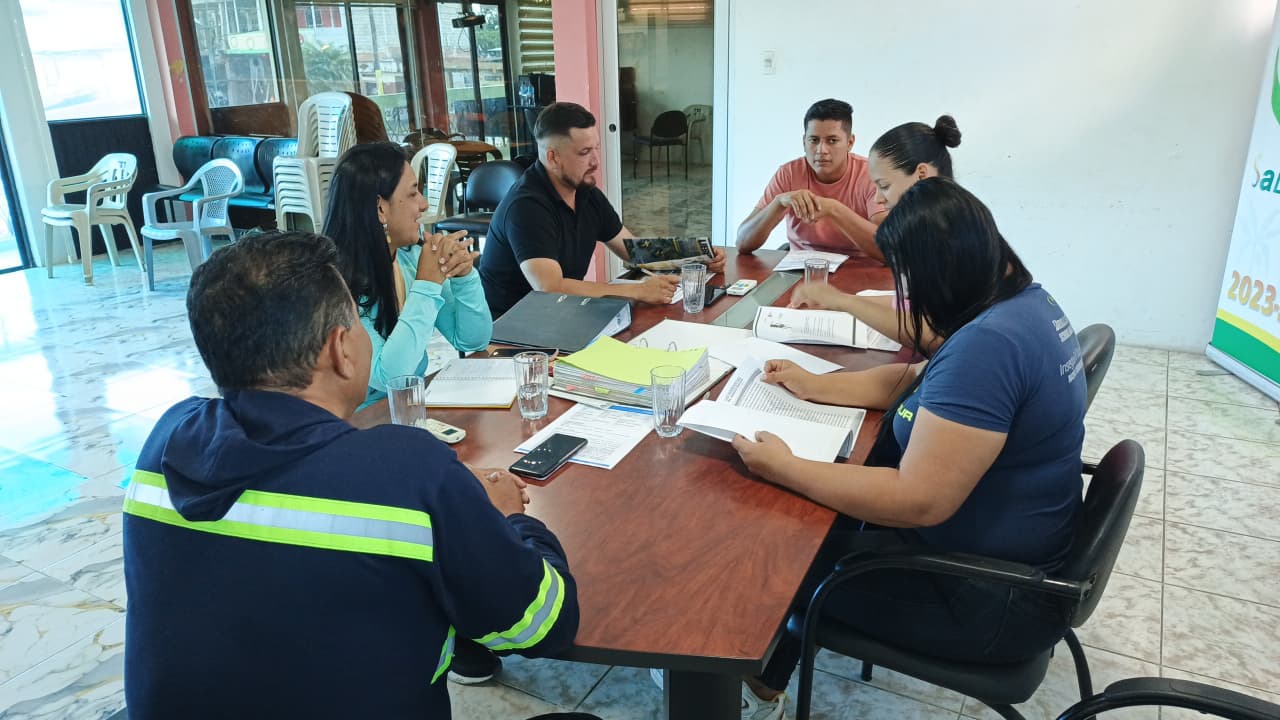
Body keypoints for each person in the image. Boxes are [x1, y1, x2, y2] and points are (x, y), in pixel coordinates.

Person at [122, 232, 579, 719]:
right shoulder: (409, 471)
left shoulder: (165, 441)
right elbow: (543, 625)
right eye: (359, 323)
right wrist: (511, 518)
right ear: (341, 348)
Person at [731, 178, 1086, 709]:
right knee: (811, 532)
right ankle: (768, 679)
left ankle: (752, 694)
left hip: (986, 597)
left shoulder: (989, 346)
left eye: (907, 280)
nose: (907, 298)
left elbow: (917, 500)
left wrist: (784, 465)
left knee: (779, 564)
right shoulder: (1020, 303)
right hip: (1010, 563)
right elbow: (916, 380)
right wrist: (813, 384)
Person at [479, 101, 726, 318]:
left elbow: (634, 250)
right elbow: (550, 288)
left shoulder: (585, 193)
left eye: (596, 148)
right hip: (513, 327)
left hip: (559, 314)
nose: (596, 161)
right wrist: (637, 291)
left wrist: (697, 254)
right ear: (553, 157)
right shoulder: (526, 207)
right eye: (584, 152)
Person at [322, 142, 491, 405]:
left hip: (410, 406)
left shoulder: (409, 257)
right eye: (413, 194)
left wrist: (464, 276)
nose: (423, 204)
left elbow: (472, 340)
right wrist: (426, 285)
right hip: (363, 419)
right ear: (380, 208)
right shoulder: (336, 283)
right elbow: (391, 378)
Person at [788, 115, 963, 353]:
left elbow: (935, 336)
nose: (879, 199)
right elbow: (907, 304)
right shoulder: (935, 219)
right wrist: (834, 301)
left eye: (885, 186)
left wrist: (843, 302)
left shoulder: (945, 231)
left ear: (921, 174)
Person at [736, 98, 887, 260]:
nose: (821, 150)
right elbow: (743, 243)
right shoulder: (789, 173)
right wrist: (778, 203)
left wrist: (834, 209)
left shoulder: (870, 174)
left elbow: (889, 249)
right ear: (804, 142)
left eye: (832, 141)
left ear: (850, 142)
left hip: (859, 267)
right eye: (814, 140)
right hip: (801, 267)